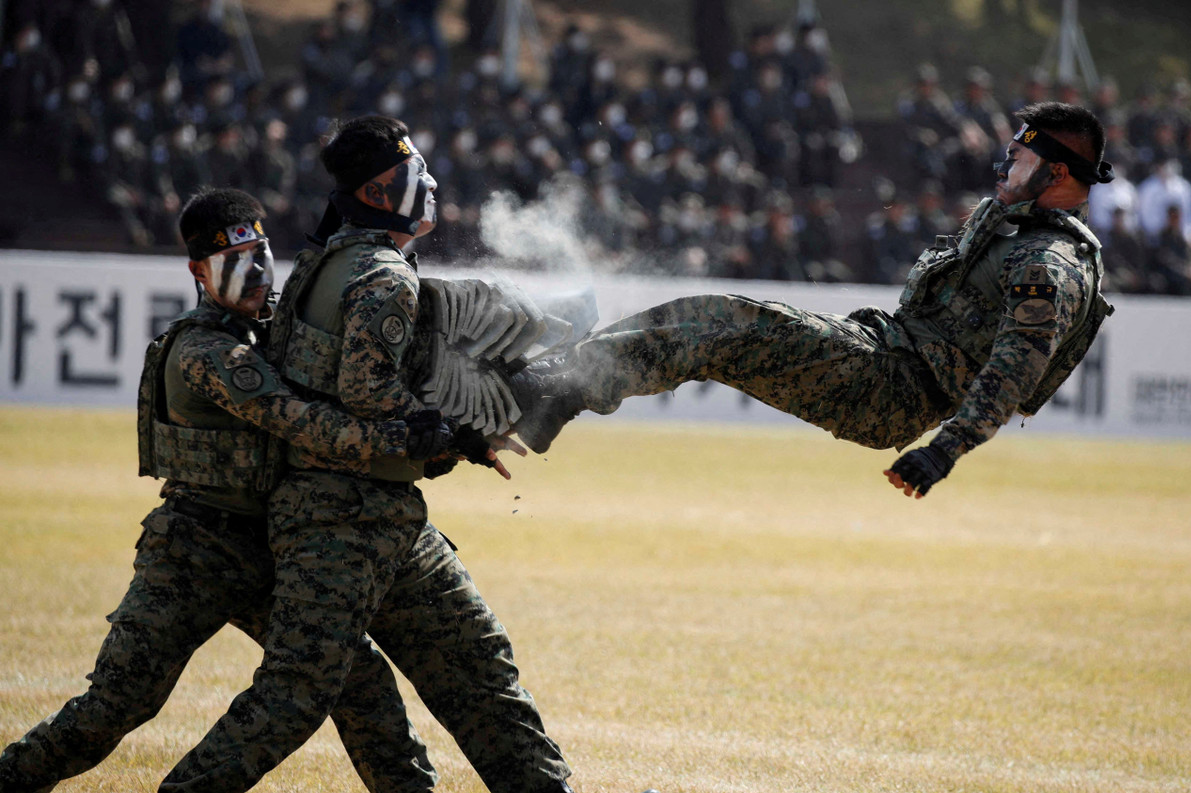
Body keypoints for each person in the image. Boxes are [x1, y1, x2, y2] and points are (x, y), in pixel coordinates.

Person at [159, 116, 577, 793]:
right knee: (295, 694)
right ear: (383, 190)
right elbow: (367, 389)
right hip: (338, 522)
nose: (431, 184)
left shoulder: (332, 259)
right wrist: (452, 432)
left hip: (378, 513)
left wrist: (457, 429)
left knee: (474, 663)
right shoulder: (382, 274)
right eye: (416, 172)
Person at [0, 187, 460, 792]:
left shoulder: (270, 330)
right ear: (197, 272)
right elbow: (302, 423)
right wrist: (406, 441)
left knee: (355, 681)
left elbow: (326, 267)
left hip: (267, 550)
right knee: (115, 707)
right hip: (195, 554)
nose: (253, 277)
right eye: (233, 265)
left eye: (262, 259)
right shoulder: (203, 351)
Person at [516, 102, 1116, 500]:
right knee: (712, 319)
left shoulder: (1048, 264)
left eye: (1021, 157)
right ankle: (561, 389)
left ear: (1058, 174)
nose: (1005, 163)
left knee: (724, 324)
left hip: (894, 391)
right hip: (880, 353)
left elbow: (1012, 374)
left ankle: (556, 388)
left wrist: (944, 452)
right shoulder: (1011, 223)